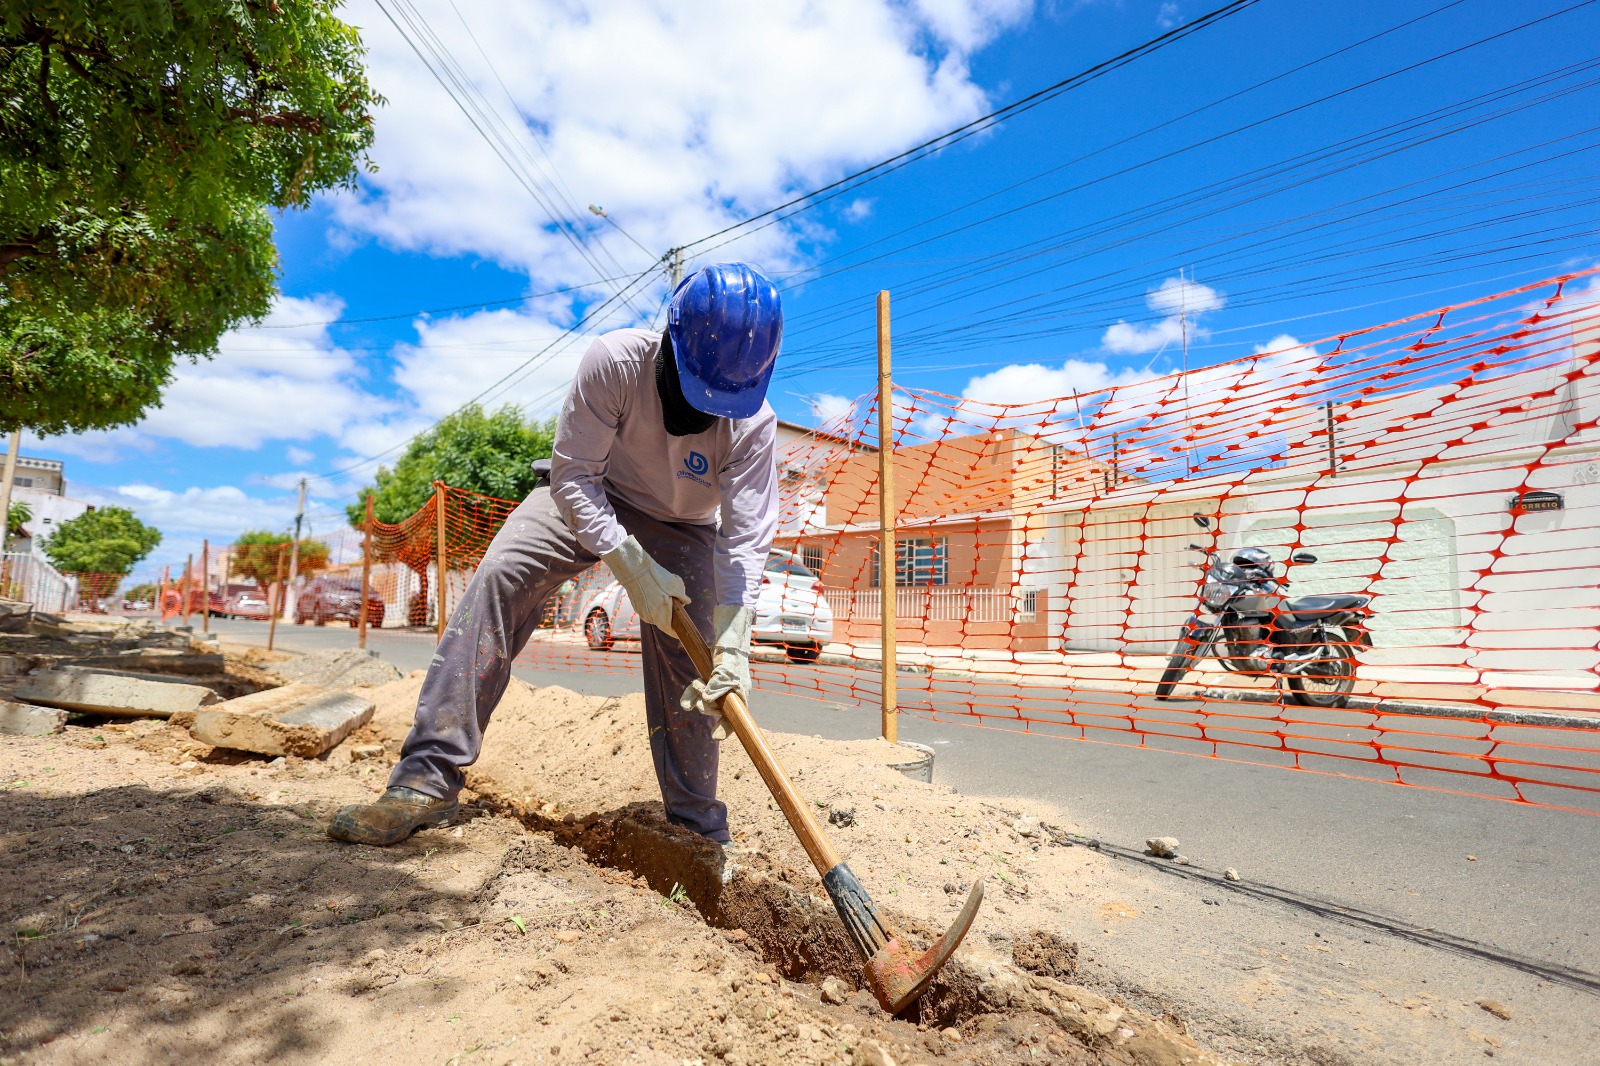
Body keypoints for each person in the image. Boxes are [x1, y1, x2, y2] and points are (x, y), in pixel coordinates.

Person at [328, 263, 782, 847]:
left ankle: (695, 829)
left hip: (685, 526)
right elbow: (571, 478)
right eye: (695, 389)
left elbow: (743, 540)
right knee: (500, 576)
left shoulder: (753, 426)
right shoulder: (615, 361)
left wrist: (735, 640)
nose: (701, 413)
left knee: (696, 660)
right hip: (592, 492)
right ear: (669, 340)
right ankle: (424, 781)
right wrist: (625, 558)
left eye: (720, 402)